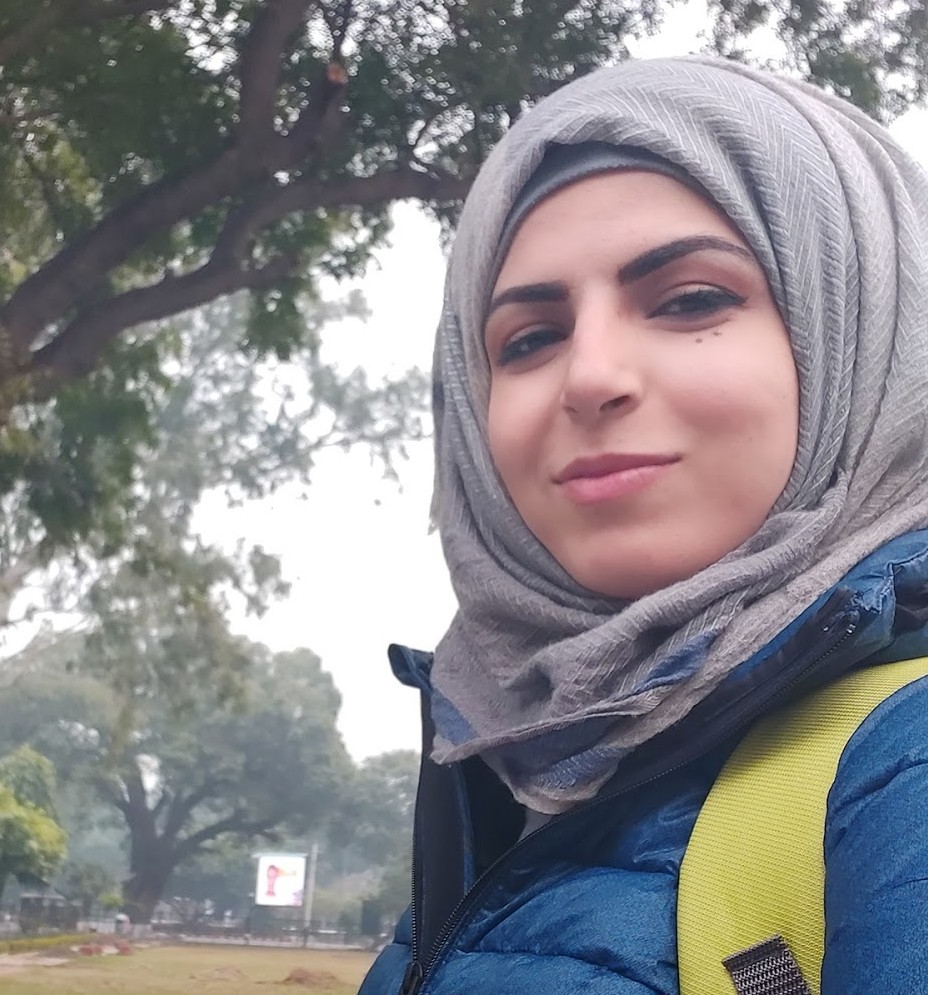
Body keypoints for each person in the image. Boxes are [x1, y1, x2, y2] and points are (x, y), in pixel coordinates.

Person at [358, 55, 928, 995]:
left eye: (692, 299)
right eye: (530, 338)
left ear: (866, 334)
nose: (589, 376)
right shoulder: (506, 773)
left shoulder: (898, 770)